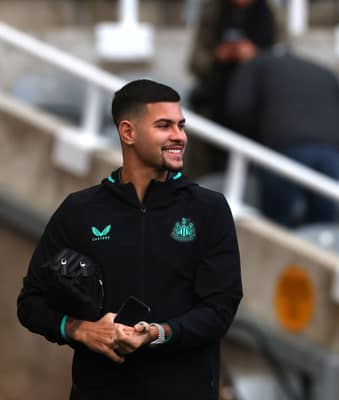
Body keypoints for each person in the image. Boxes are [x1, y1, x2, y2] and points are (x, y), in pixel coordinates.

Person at [17, 79, 243, 400]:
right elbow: (30, 303)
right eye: (164, 126)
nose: (179, 136)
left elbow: (220, 308)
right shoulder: (79, 210)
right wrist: (81, 329)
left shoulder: (209, 209)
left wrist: (158, 333)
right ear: (128, 132)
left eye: (181, 125)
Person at [227, 47, 339, 227]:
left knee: (277, 227)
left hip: (283, 148)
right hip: (328, 151)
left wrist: (260, 139)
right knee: (323, 232)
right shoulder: (324, 71)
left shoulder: (255, 64)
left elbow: (237, 109)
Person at [187, 0, 285, 172]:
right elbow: (195, 62)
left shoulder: (271, 13)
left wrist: (256, 56)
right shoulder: (213, 12)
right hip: (217, 106)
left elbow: (284, 61)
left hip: (260, 110)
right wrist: (219, 56)